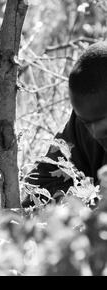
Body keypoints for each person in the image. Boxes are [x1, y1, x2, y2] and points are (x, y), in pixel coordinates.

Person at [25, 41, 107, 204]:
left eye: (104, 127)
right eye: (86, 123)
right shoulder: (84, 123)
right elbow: (38, 186)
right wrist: (81, 203)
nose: (94, 133)